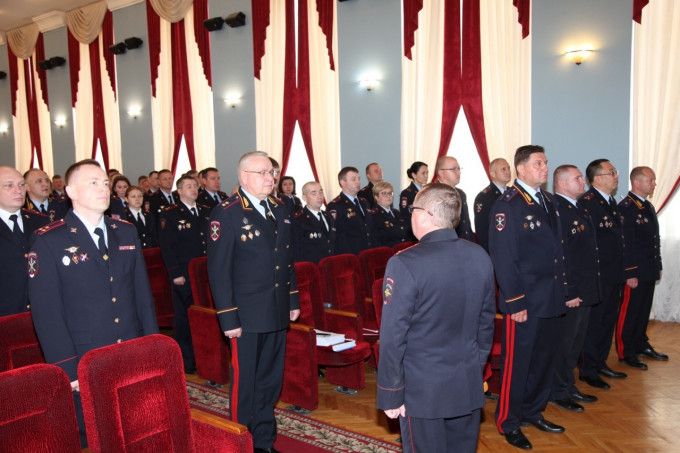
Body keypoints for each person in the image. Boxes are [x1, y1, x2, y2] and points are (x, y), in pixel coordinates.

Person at [29, 159, 159, 446]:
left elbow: (142, 294)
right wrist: (67, 367)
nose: (103, 188)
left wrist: (152, 344)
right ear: (71, 192)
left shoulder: (125, 231)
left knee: (134, 426)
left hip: (129, 346)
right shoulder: (49, 240)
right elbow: (47, 313)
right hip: (86, 354)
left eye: (104, 183)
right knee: (95, 435)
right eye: (93, 183)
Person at [377, 183, 495, 453]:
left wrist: (391, 393)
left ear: (425, 214)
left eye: (413, 209)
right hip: (467, 382)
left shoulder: (404, 262)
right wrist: (475, 368)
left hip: (422, 391)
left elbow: (393, 335)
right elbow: (486, 324)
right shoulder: (479, 254)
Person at [207, 151, 300, 453]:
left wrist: (292, 299)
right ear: (244, 176)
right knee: (244, 384)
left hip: (276, 309)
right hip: (245, 316)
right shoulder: (227, 213)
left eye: (272, 172)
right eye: (262, 173)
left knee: (270, 382)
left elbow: (286, 258)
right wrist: (228, 318)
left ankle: (263, 442)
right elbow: (219, 271)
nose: (270, 178)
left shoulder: (280, 207)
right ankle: (240, 445)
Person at [489, 145, 568, 450]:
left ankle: (532, 411)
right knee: (518, 364)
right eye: (538, 164)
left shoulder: (548, 200)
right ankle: (508, 422)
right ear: (520, 169)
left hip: (550, 296)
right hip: (525, 301)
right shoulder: (507, 205)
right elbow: (504, 258)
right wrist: (515, 302)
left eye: (545, 163)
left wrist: (564, 291)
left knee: (544, 359)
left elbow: (557, 251)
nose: (545, 168)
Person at [549, 165, 600, 412]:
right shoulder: (558, 211)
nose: (583, 182)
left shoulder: (577, 207)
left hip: (585, 287)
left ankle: (568, 384)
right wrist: (568, 289)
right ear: (561, 184)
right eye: (577, 178)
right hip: (572, 291)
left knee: (575, 343)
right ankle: (557, 390)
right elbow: (561, 255)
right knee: (564, 344)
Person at [577, 159, 628, 389]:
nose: (616, 176)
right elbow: (587, 245)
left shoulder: (610, 201)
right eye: (611, 172)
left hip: (613, 274)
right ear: (597, 178)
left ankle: (600, 362)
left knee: (607, 321)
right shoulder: (588, 203)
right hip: (598, 276)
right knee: (594, 324)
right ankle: (588, 369)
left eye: (615, 172)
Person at [616, 166, 667, 369]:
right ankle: (625, 351)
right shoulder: (626, 208)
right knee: (630, 311)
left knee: (643, 309)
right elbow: (625, 243)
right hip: (635, 270)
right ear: (636, 182)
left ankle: (640, 343)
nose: (654, 184)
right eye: (650, 180)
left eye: (653, 180)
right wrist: (630, 271)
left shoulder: (647, 206)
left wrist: (657, 264)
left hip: (648, 268)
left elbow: (654, 239)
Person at [159, 175, 209, 373]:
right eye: (189, 186)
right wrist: (175, 272)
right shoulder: (170, 214)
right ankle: (187, 360)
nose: (194, 189)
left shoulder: (205, 211)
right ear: (179, 191)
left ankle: (206, 358)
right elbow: (167, 246)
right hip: (184, 274)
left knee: (204, 316)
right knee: (185, 318)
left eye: (195, 186)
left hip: (204, 273)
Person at [0, 166, 49, 316]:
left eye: (21, 185)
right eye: (9, 185)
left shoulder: (41, 222)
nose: (18, 190)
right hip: (5, 315)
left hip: (41, 312)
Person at [327, 167, 374, 255]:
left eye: (359, 179)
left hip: (367, 253)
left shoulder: (364, 202)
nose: (358, 182)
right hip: (349, 255)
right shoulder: (335, 205)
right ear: (342, 182)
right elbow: (334, 235)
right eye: (353, 179)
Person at [474, 158, 511, 253]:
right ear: (493, 174)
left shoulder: (514, 193)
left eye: (508, 168)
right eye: (503, 169)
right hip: (496, 250)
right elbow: (482, 230)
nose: (508, 172)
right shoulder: (484, 197)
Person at [292, 181, 334, 263]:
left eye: (321, 192)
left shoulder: (328, 216)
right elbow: (296, 250)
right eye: (314, 194)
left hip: (331, 264)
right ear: (304, 198)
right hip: (312, 267)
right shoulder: (298, 219)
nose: (319, 197)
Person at [434, 156, 473, 241]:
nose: (458, 172)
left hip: (463, 243)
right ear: (441, 173)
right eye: (453, 169)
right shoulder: (433, 194)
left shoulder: (461, 194)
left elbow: (465, 225)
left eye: (459, 169)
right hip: (444, 244)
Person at [371, 181, 408, 247]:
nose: (388, 196)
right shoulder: (374, 215)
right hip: (388, 251)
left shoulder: (396, 213)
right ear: (376, 197)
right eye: (384, 194)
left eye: (390, 193)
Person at [399, 161, 428, 240]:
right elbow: (406, 215)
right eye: (423, 173)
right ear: (414, 175)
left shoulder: (427, 191)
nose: (426, 176)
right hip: (414, 232)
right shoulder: (407, 193)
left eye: (427, 173)